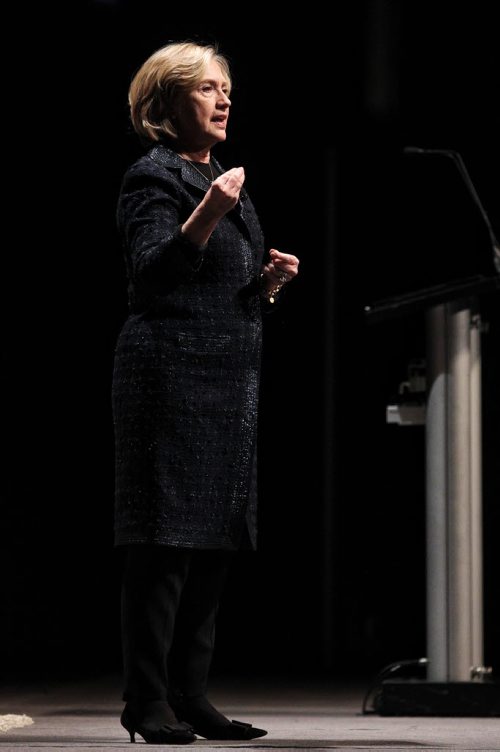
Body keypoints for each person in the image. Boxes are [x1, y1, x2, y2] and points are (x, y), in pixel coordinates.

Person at [112, 40, 299, 745]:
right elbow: (153, 276)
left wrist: (267, 285)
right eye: (206, 89)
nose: (224, 100)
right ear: (164, 106)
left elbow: (217, 285)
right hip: (167, 379)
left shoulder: (219, 176)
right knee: (163, 546)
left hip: (227, 384)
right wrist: (210, 214)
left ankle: (191, 695)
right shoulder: (153, 179)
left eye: (227, 89)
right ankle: (146, 701)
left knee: (214, 542)